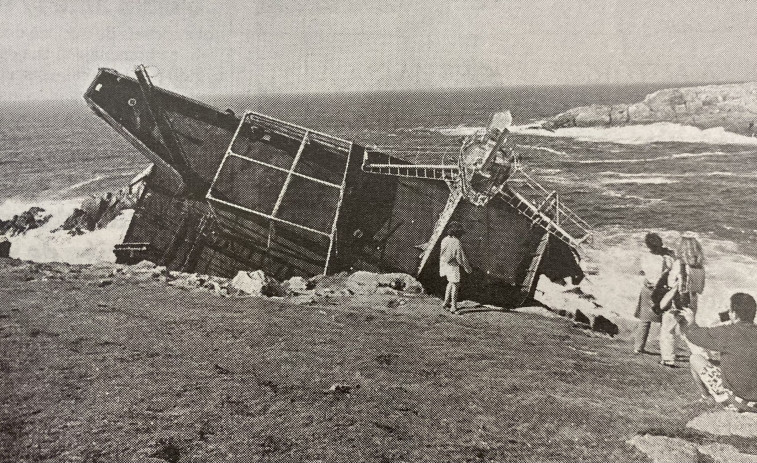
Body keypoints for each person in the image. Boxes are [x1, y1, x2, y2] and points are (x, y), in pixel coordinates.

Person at [674, 293, 757, 412]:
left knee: (695, 359)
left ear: (733, 313)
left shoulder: (728, 332)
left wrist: (691, 322)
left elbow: (695, 336)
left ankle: (706, 398)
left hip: (738, 402)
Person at [659, 232, 706, 366]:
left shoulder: (680, 264)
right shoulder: (700, 267)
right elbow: (701, 288)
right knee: (687, 330)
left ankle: (668, 358)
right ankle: (702, 354)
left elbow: (670, 282)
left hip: (678, 300)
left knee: (668, 329)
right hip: (693, 299)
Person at [633, 233, 675, 355]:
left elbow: (640, 271)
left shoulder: (645, 256)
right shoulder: (666, 258)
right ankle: (665, 349)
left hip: (647, 289)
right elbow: (671, 271)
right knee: (664, 320)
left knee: (645, 320)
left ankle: (638, 347)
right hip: (661, 291)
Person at [439, 221, 472, 314]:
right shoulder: (456, 242)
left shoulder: (444, 239)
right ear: (457, 233)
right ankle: (453, 306)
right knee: (456, 285)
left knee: (450, 283)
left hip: (444, 265)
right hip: (453, 266)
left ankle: (445, 302)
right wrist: (467, 268)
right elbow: (460, 257)